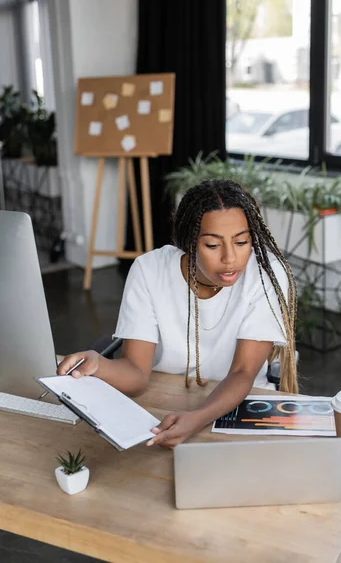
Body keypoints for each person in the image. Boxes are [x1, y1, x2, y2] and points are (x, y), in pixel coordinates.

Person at [58, 179, 298, 448]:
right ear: (189, 241)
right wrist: (98, 364)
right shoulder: (149, 271)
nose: (231, 258)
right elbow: (136, 375)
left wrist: (198, 418)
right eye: (212, 245)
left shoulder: (266, 273)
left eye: (241, 242)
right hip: (161, 403)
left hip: (240, 406)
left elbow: (243, 372)